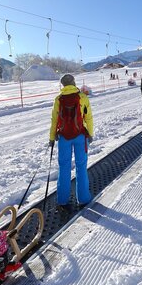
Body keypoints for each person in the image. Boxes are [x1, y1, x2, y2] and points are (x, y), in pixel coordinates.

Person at [49, 74, 94, 208]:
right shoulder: (82, 97)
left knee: (64, 167)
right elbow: (88, 117)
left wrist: (52, 138)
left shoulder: (58, 99)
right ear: (74, 82)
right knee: (81, 167)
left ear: (63, 85)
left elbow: (54, 120)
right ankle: (83, 198)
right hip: (80, 136)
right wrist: (90, 134)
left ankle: (62, 200)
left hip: (63, 137)